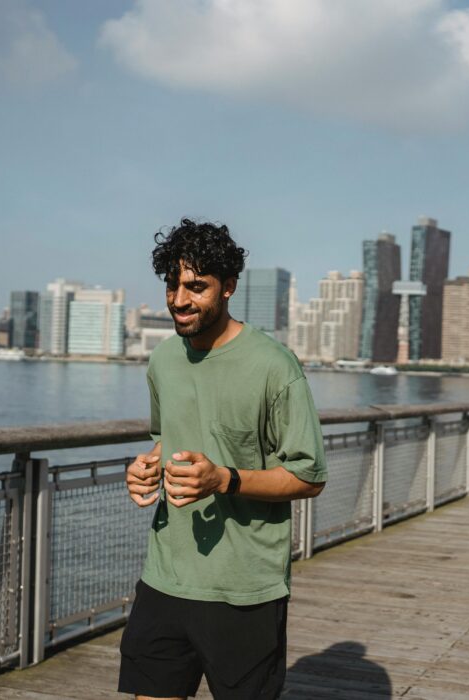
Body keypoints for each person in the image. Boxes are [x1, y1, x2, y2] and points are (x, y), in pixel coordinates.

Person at [119, 218, 327, 699]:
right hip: (165, 578)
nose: (179, 299)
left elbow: (309, 475)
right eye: (172, 284)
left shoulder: (275, 366)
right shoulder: (163, 360)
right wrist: (144, 466)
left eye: (196, 287)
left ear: (229, 287)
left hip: (244, 589)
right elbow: (166, 437)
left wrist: (224, 480)